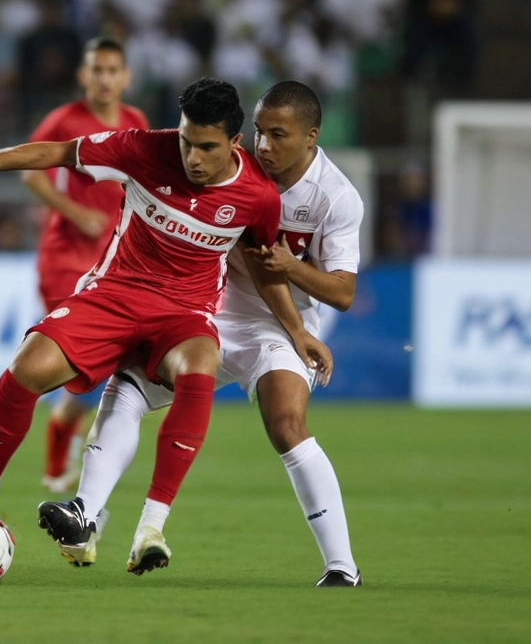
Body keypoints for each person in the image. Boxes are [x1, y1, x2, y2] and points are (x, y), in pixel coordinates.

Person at [0, 78, 333, 575]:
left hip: (185, 313)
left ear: (233, 143)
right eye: (187, 141)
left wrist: (297, 331)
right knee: (25, 369)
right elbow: (56, 153)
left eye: (207, 147)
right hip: (114, 294)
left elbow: (261, 269)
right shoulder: (144, 149)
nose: (192, 157)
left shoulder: (258, 196)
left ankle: (151, 526)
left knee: (201, 364)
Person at [46, 82, 364, 586]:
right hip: (204, 312)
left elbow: (343, 292)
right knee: (127, 388)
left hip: (276, 327)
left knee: (286, 425)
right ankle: (87, 514)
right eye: (259, 133)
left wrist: (292, 282)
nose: (263, 146)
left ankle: (342, 566)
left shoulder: (336, 198)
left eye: (278, 135)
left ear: (311, 137)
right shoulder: (231, 163)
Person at [22, 37, 149, 495]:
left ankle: (62, 435)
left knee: (102, 367)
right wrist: (74, 212)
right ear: (83, 75)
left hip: (114, 262)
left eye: (113, 70)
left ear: (126, 76)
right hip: (64, 257)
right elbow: (30, 171)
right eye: (97, 69)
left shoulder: (136, 122)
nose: (104, 78)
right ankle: (63, 443)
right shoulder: (66, 119)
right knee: (85, 362)